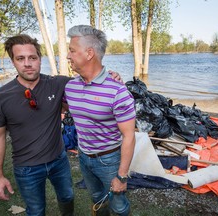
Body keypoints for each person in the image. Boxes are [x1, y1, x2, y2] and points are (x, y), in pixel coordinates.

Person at [0, 34, 122, 216]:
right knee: (35, 210)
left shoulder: (58, 84)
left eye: (32, 58)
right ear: (13, 61)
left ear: (39, 59)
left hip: (59, 160)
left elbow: (90, 79)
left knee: (67, 197)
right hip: (26, 167)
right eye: (20, 58)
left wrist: (111, 75)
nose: (27, 63)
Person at [64, 25, 136, 216]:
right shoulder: (70, 87)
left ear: (89, 53)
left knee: (118, 206)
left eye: (72, 50)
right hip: (83, 156)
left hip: (109, 159)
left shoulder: (117, 91)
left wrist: (121, 176)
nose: (67, 56)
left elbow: (129, 136)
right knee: (97, 199)